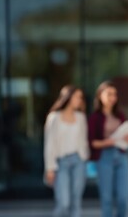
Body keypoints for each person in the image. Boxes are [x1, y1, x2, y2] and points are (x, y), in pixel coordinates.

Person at [88, 80, 128, 217]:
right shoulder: (94, 118)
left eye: (114, 94)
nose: (112, 98)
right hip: (104, 158)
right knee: (107, 199)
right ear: (100, 96)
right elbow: (92, 143)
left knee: (123, 199)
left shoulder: (120, 115)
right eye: (109, 94)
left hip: (121, 156)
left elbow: (127, 135)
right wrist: (108, 142)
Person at [44, 85, 90, 217]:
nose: (80, 100)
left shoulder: (81, 117)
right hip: (61, 163)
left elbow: (83, 140)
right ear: (68, 97)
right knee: (64, 203)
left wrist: (85, 158)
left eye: (81, 97)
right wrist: (49, 168)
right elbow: (49, 144)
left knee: (76, 203)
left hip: (79, 162)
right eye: (77, 97)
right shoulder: (54, 117)